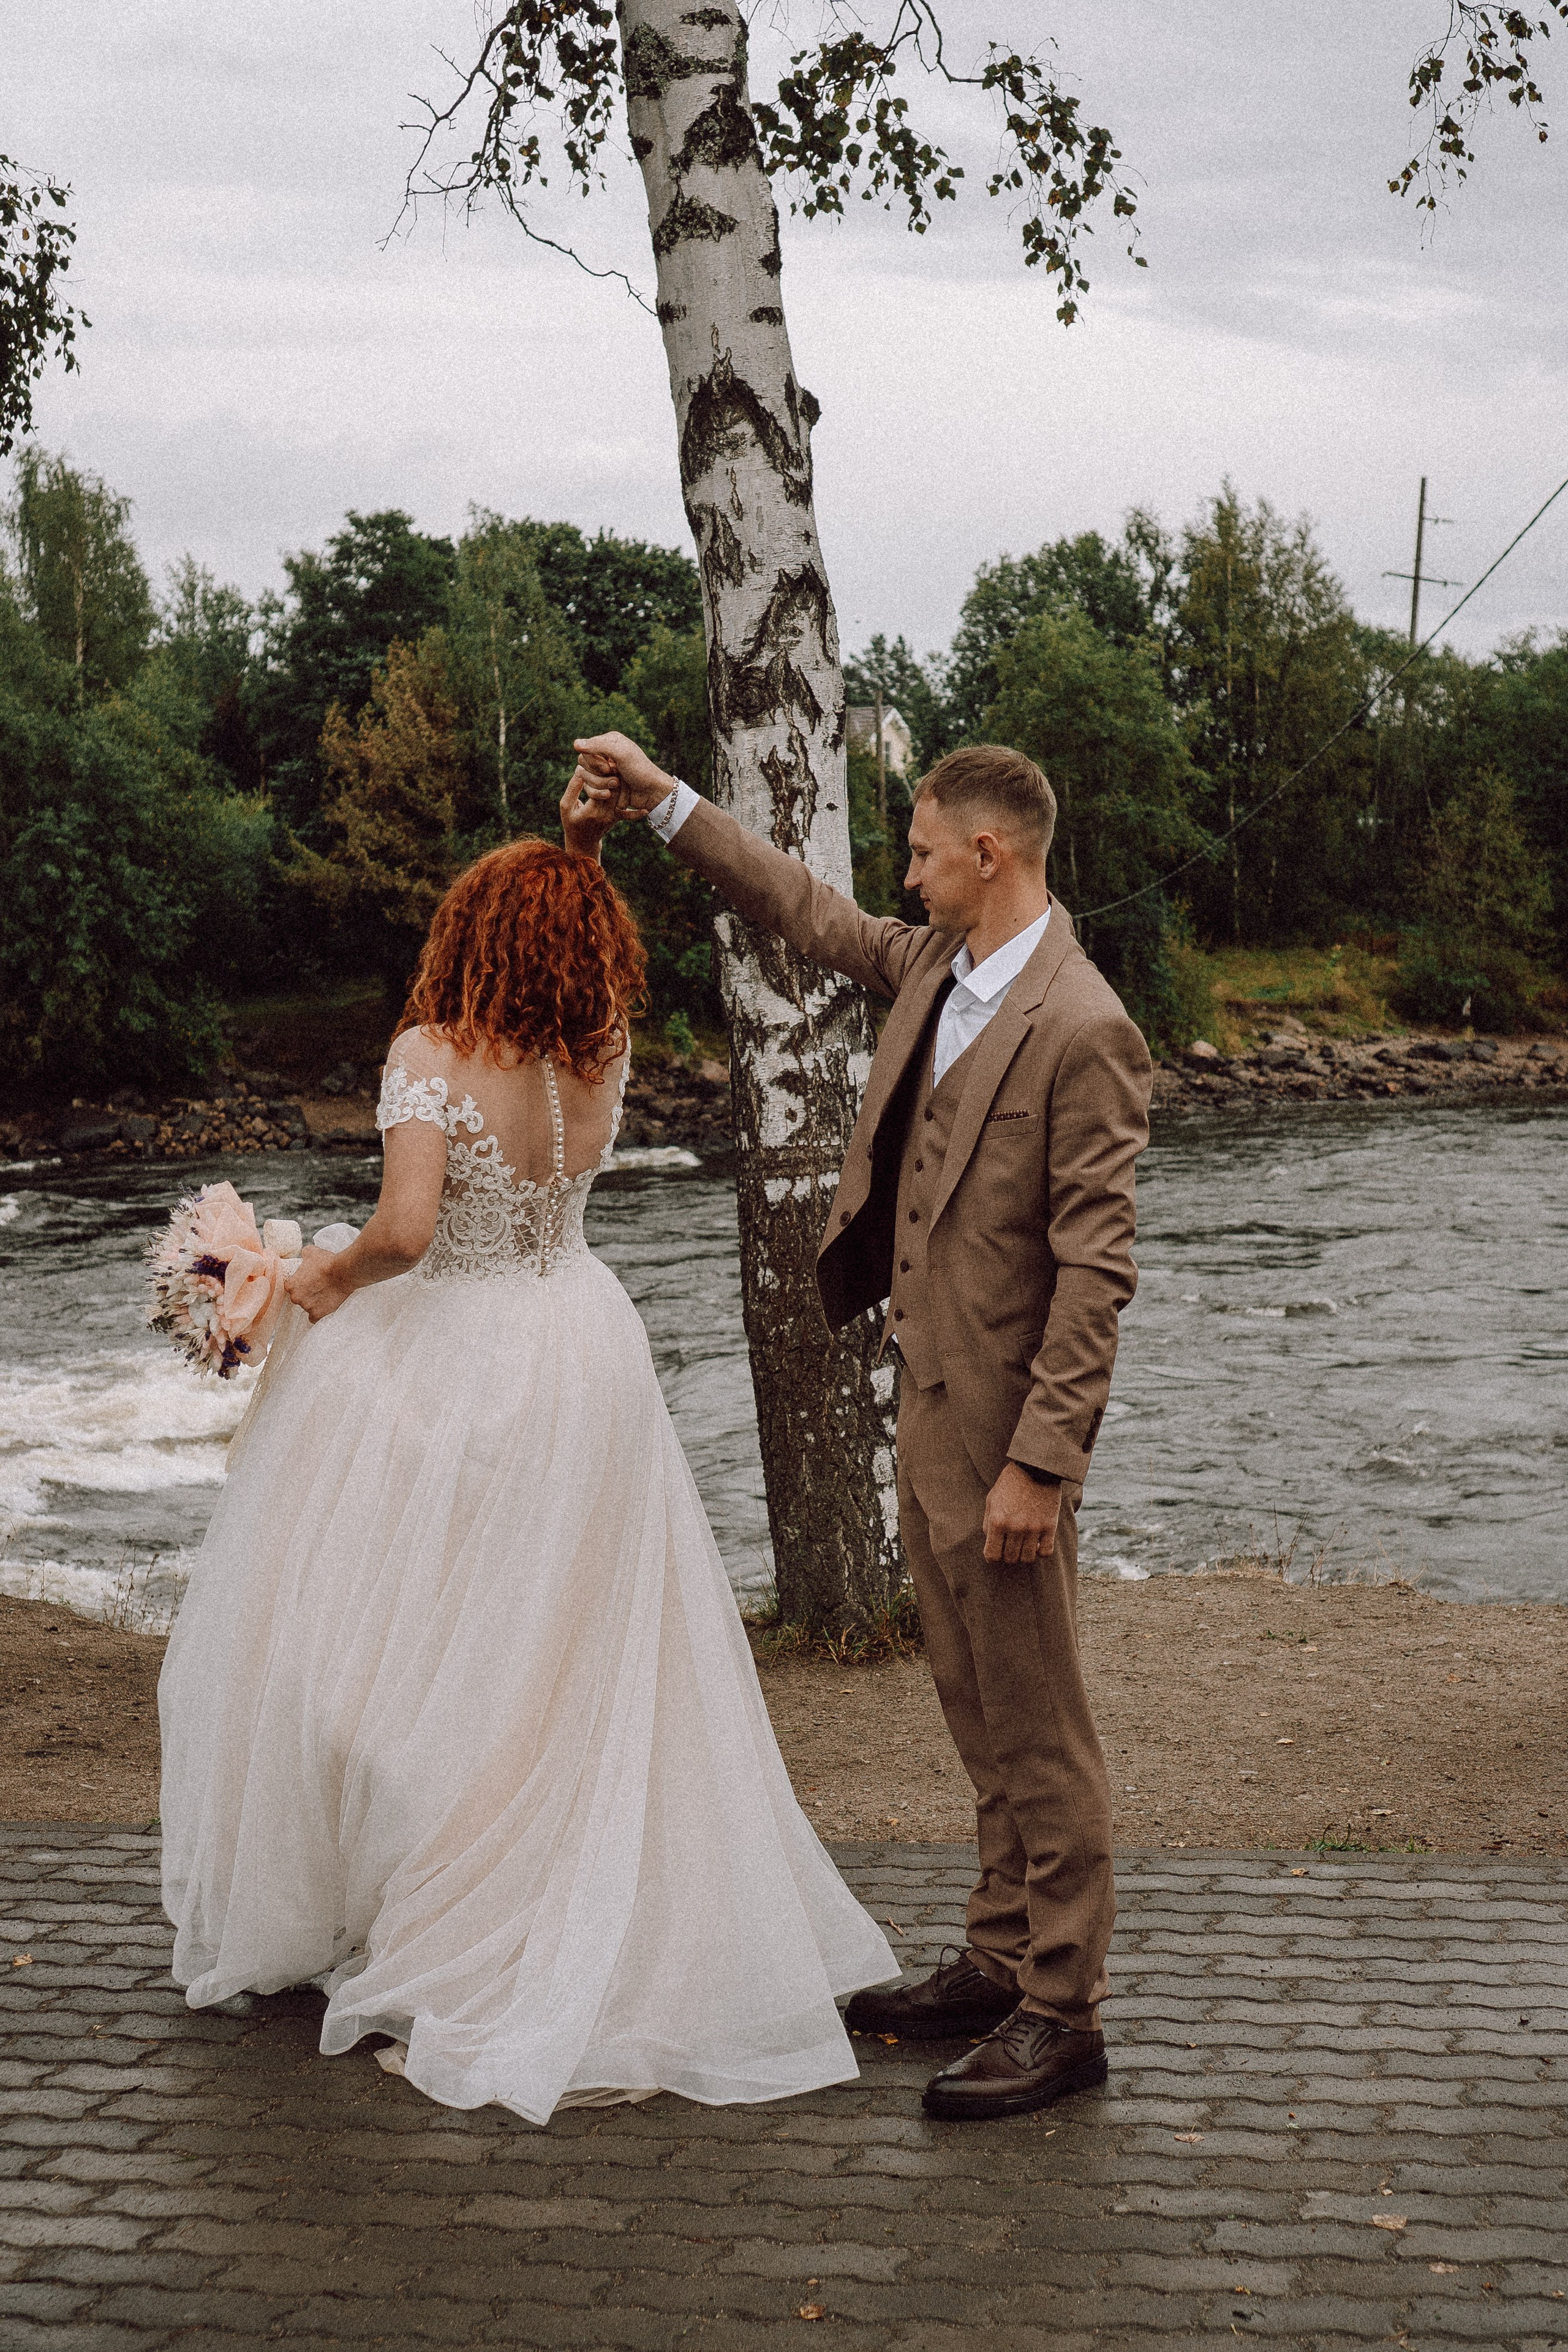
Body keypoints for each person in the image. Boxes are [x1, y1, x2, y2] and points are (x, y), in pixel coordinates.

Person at [158, 819, 895, 2125]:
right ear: (580, 946)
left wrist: (313, 1279)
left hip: (463, 1355)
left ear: (472, 936)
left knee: (428, 1640)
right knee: (563, 1645)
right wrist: (586, 845)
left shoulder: (428, 1056)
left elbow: (406, 1232)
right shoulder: (601, 1051)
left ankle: (460, 1923)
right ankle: (566, 1889)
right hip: (584, 1342)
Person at [571, 732, 1152, 2123]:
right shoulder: (937, 966)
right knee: (973, 1701)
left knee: (1041, 1726)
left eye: (922, 850)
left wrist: (1040, 1464)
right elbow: (804, 909)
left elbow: (1096, 1272)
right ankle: (998, 1956)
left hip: (1006, 1434)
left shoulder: (1084, 1026)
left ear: (988, 855)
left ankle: (1062, 2011)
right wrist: (666, 805)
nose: (904, 874)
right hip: (928, 1404)